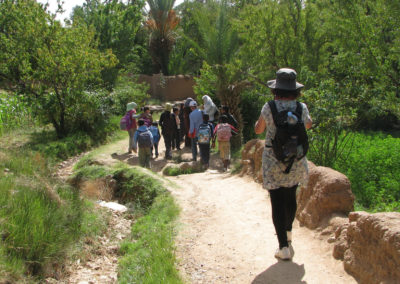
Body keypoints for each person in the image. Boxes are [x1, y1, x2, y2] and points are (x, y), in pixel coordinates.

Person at [254, 68, 312, 261]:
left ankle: (283, 247)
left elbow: (258, 130)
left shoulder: (269, 107)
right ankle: (288, 233)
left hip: (273, 161)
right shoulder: (301, 107)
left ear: (276, 88)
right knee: (291, 196)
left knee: (277, 201)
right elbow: (309, 125)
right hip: (295, 160)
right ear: (295, 89)